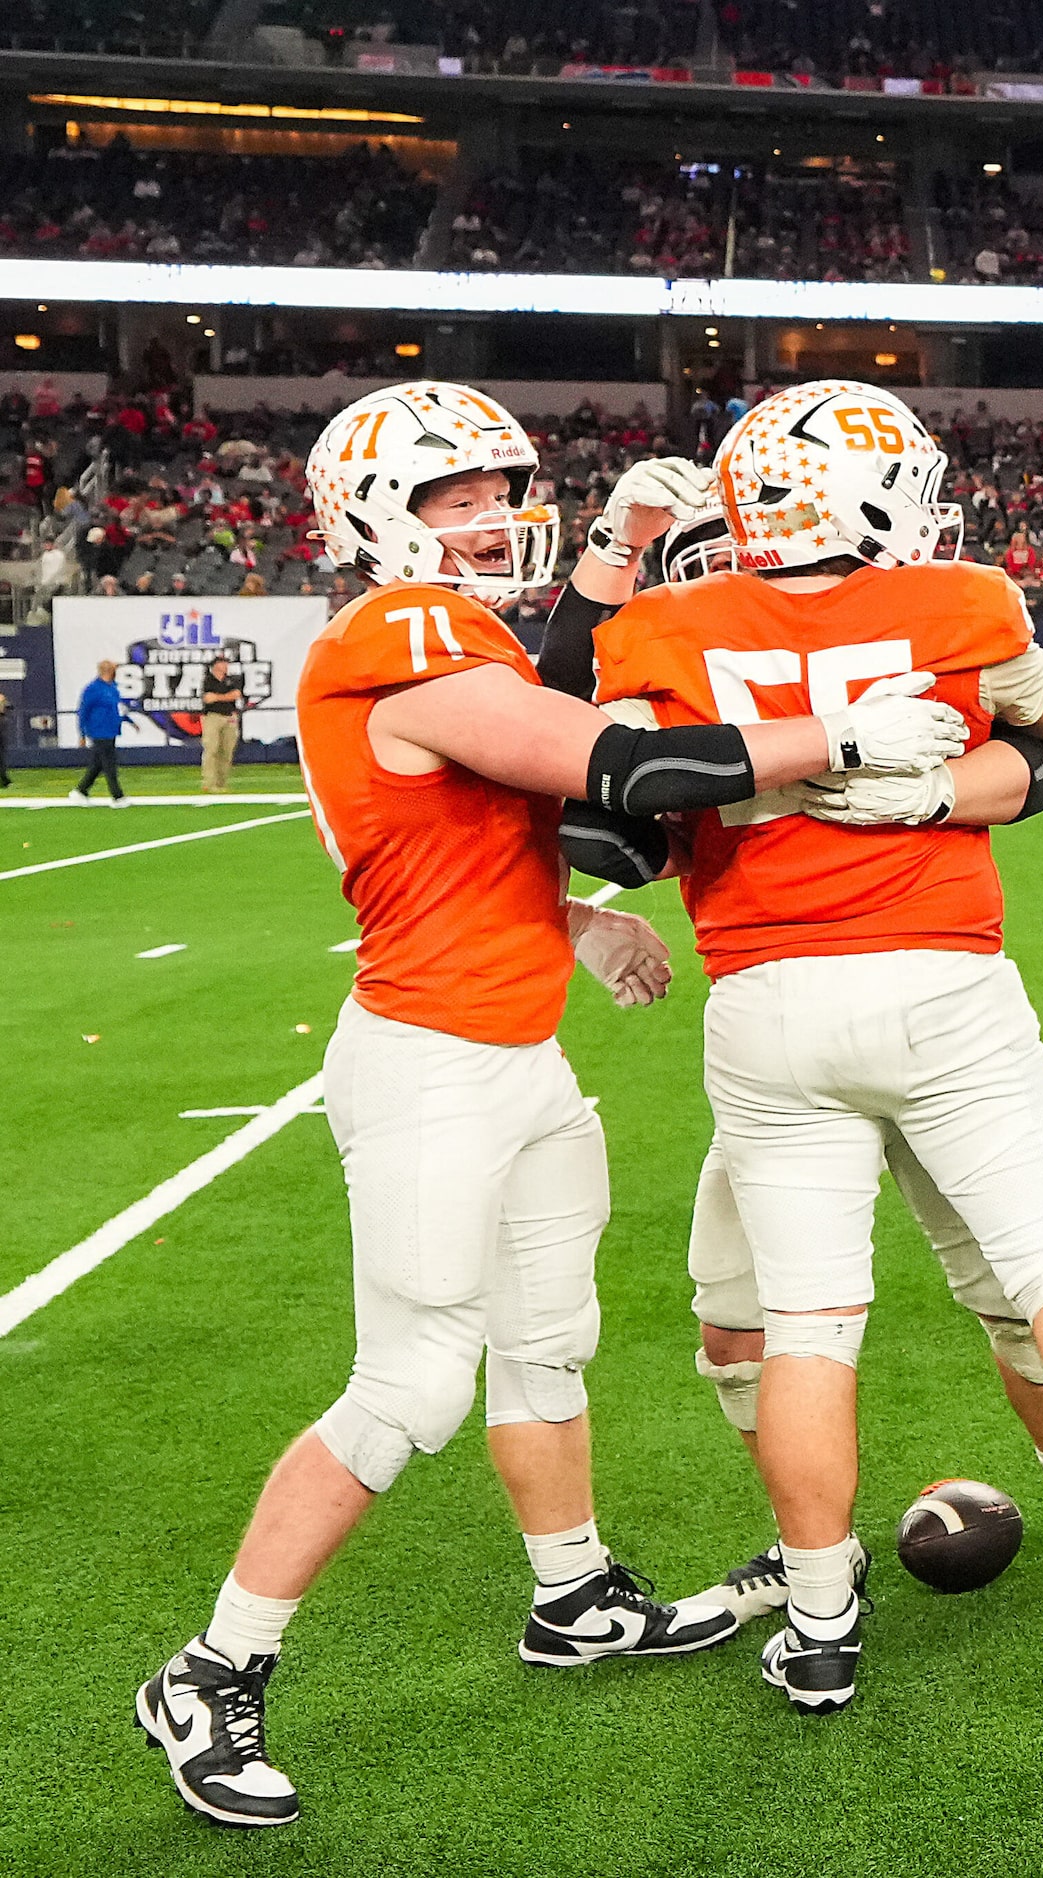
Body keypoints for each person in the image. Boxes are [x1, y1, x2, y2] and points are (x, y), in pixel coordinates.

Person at [132, 380, 964, 1830]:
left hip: (508, 1051)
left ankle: (572, 1592)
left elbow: (463, 828)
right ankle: (213, 1667)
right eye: (457, 496)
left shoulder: (449, 637)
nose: (490, 516)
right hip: (429, 1064)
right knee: (409, 1380)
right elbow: (610, 759)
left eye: (500, 489)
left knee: (546, 1343)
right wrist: (832, 732)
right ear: (379, 511)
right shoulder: (397, 630)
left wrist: (575, 918)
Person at [587, 380, 1043, 1715]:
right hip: (936, 973)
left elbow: (617, 790)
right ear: (854, 490)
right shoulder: (956, 601)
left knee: (805, 1320)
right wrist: (938, 772)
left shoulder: (662, 625)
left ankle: (816, 1617)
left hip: (765, 994)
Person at [71, 658, 127, 801]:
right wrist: (82, 733)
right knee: (109, 763)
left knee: (98, 764)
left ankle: (81, 790)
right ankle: (117, 795)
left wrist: (127, 721)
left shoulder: (112, 688)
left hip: (111, 730)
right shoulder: (93, 689)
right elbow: (83, 711)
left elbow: (116, 709)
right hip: (99, 731)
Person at [199, 654, 244, 792]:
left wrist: (218, 697)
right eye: (222, 663)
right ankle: (209, 783)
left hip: (229, 717)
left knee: (227, 751)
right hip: (213, 717)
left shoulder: (232, 680)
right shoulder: (208, 681)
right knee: (211, 749)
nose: (225, 666)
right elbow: (207, 699)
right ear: (216, 665)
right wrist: (226, 697)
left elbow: (236, 694)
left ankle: (221, 783)